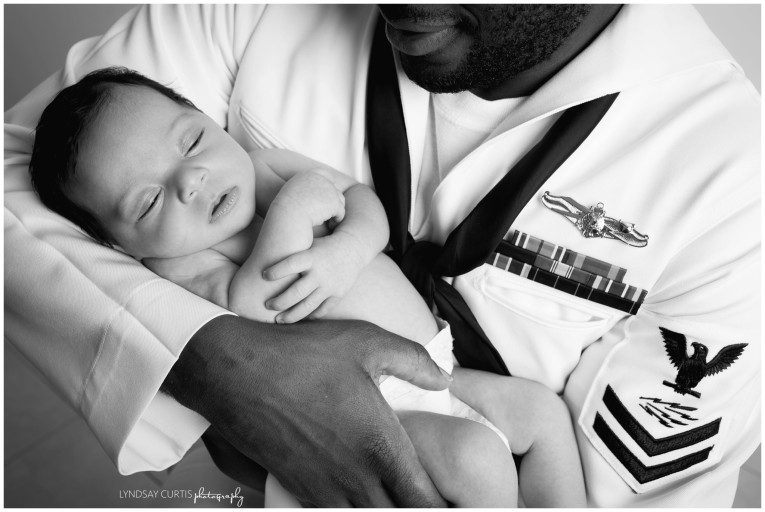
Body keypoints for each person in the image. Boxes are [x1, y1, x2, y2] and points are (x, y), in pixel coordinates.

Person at [4, 4, 760, 507]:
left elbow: (635, 496)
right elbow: (17, 177)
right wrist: (213, 363)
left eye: (196, 143)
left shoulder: (735, 180)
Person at [28, 67, 586, 507]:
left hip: (440, 367)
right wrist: (293, 213)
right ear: (122, 248)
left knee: (540, 413)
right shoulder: (178, 268)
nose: (190, 180)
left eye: (192, 141)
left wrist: (348, 249)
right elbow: (255, 309)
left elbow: (362, 203)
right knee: (478, 459)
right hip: (367, 418)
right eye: (149, 201)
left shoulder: (264, 164)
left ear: (206, 117)